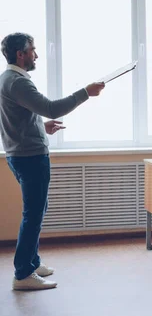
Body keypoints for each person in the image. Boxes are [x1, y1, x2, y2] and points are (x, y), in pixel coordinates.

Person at [0, 33, 105, 290]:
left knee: (37, 210)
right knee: (33, 215)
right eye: (32, 50)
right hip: (30, 157)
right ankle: (23, 274)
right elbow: (51, 107)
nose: (36, 54)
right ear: (20, 54)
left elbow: (21, 115)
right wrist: (85, 93)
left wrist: (40, 125)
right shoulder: (17, 82)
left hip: (22, 153)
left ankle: (32, 263)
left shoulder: (9, 79)